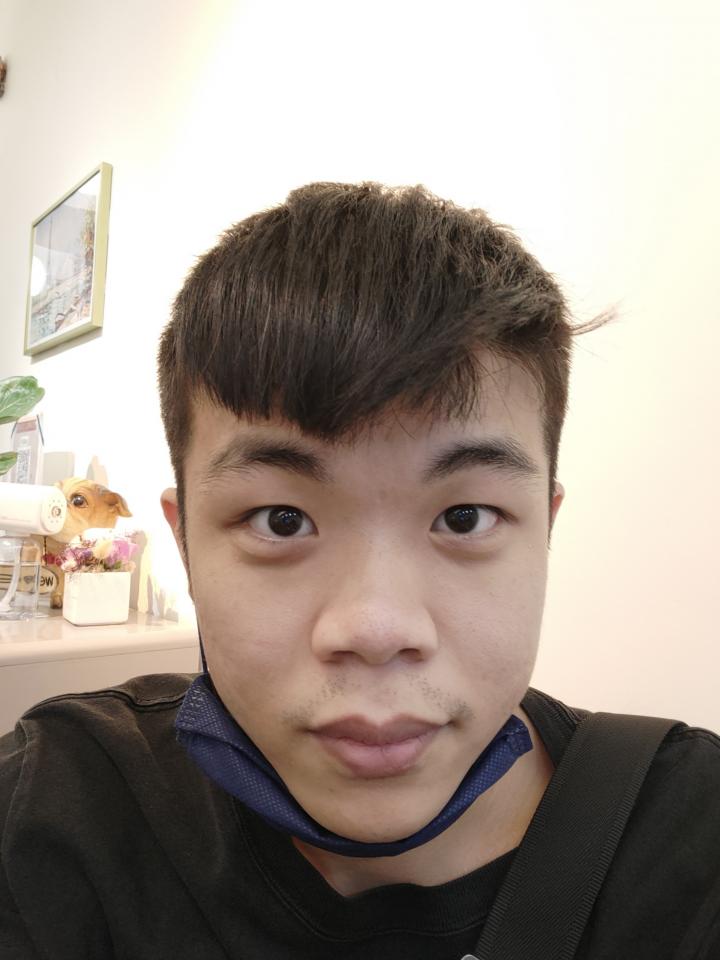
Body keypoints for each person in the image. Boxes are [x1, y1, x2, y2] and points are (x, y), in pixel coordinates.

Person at [1, 183, 719, 959]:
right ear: (186, 545)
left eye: (464, 517)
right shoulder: (56, 811)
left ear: (545, 528)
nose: (376, 629)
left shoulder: (689, 834)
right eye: (281, 520)